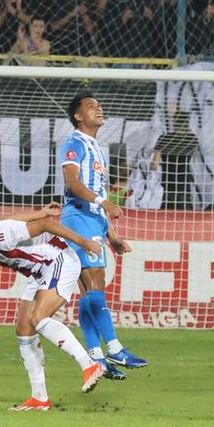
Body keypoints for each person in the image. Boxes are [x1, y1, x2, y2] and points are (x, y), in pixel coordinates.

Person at [0, 209, 106, 410]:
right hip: (38, 271)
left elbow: (46, 225)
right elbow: (8, 219)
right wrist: (42, 210)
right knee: (24, 330)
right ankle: (39, 398)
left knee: (37, 319)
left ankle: (89, 365)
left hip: (58, 260)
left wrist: (83, 242)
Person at [59, 93, 148, 381]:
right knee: (95, 279)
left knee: (89, 289)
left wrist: (112, 236)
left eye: (99, 105)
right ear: (78, 116)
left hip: (94, 221)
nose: (98, 109)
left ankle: (96, 358)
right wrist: (103, 202)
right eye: (91, 106)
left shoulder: (96, 147)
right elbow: (72, 183)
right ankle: (115, 348)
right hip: (79, 216)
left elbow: (99, 195)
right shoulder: (74, 143)